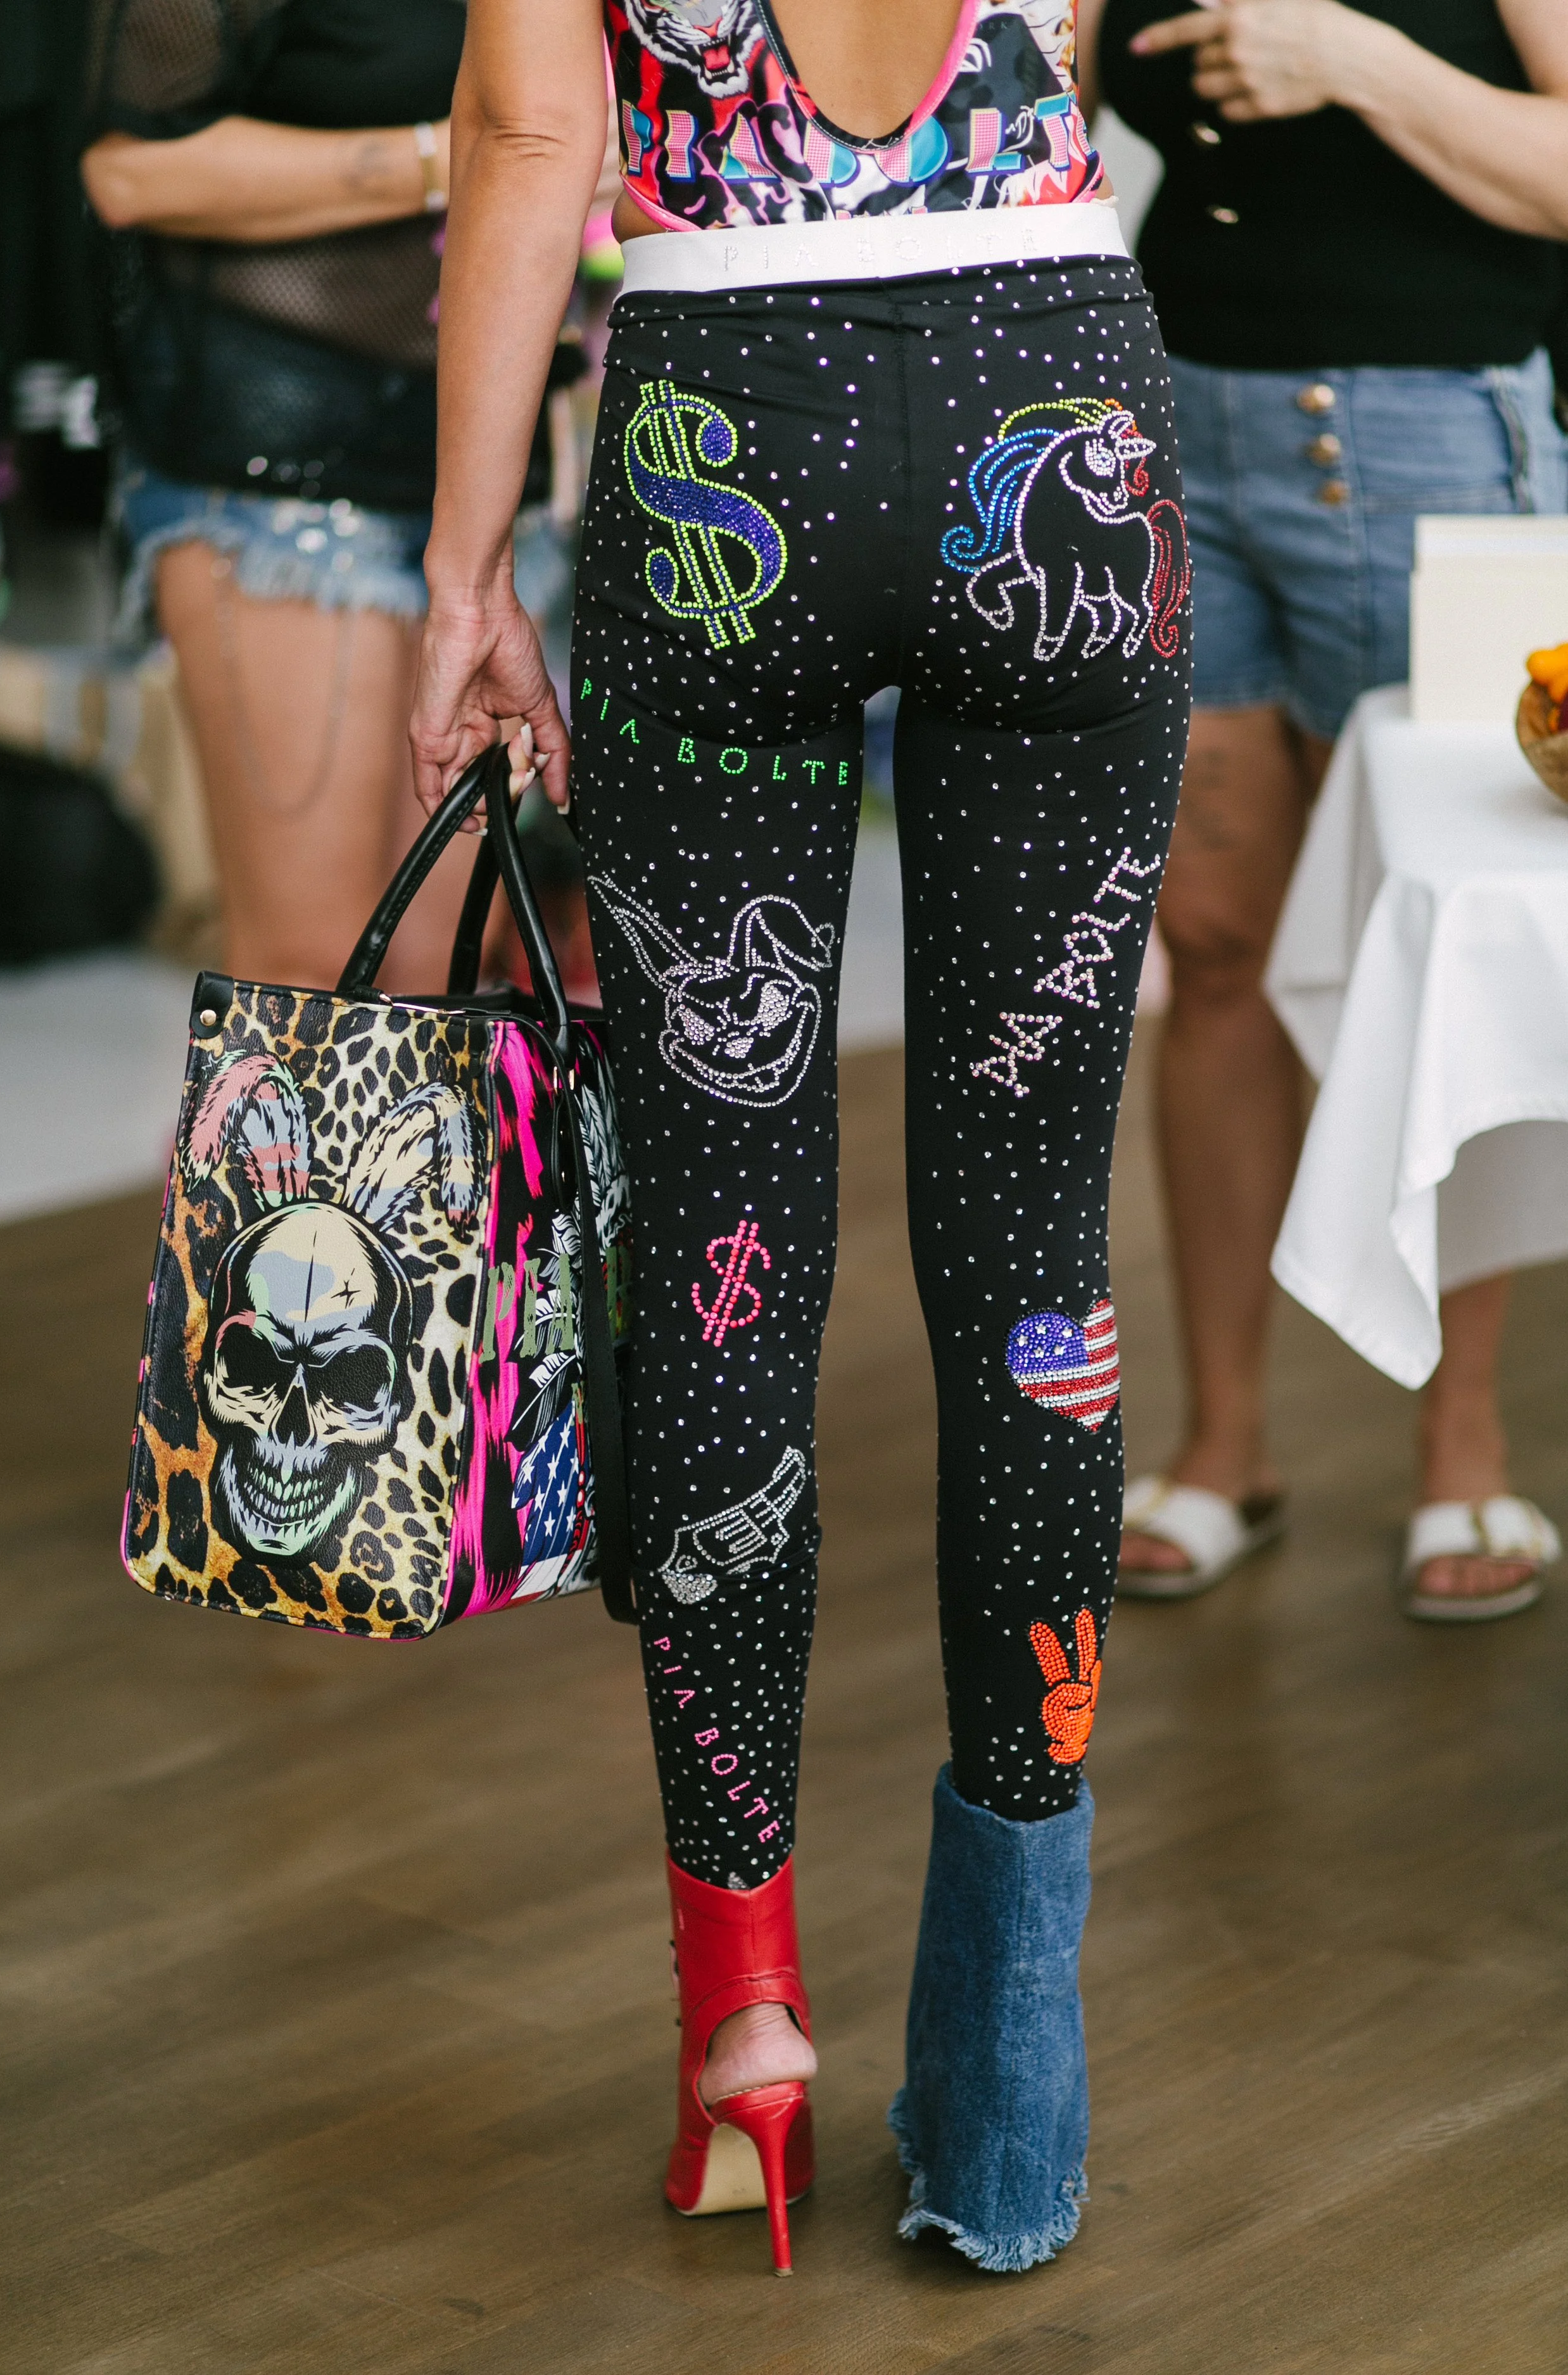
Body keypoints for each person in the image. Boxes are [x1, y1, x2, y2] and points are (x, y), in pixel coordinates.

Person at [412, 0, 1192, 2278]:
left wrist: (469, 579)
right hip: (1052, 366)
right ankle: (1015, 2093)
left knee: (731, 1254)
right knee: (1036, 1258)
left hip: (717, 423)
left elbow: (534, 119)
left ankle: (744, 2027)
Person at [1073, 0, 1568, 1617]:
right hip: (1168, 428)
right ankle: (1222, 1451)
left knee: (1437, 956)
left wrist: (1349, 58)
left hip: (1435, 442)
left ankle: (1463, 1460)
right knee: (1208, 955)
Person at [80, 0, 486, 991]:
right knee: (305, 982)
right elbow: (129, 168)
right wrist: (472, 155)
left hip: (478, 488)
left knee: (440, 987)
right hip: (275, 471)